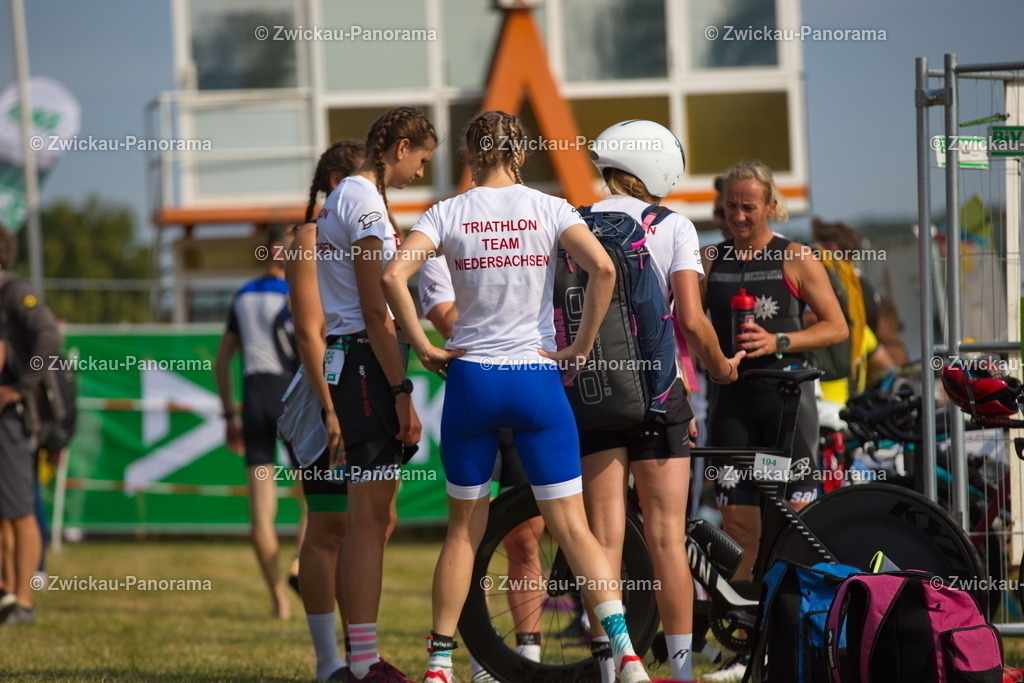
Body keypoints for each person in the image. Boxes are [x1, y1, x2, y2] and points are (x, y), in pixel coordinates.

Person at [382, 110, 652, 683]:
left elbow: (390, 278)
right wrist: (579, 345)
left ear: (469, 155)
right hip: (536, 380)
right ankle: (626, 655)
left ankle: (437, 664)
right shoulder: (551, 208)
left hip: (473, 381)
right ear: (521, 154)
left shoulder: (446, 211)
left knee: (462, 533)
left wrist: (425, 346)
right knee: (574, 530)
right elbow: (603, 268)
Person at [580, 121, 744, 683]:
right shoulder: (674, 227)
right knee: (666, 537)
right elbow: (693, 322)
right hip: (658, 398)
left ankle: (612, 668)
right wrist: (723, 368)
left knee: (603, 539)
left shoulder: (572, 220)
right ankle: (678, 670)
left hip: (595, 395)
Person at [701, 162, 847, 683]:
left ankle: (786, 638)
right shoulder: (708, 259)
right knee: (738, 524)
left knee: (786, 523)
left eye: (748, 206)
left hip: (785, 407)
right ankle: (744, 642)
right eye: (729, 207)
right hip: (730, 406)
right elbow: (686, 326)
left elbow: (836, 327)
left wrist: (779, 341)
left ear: (770, 206)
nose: (737, 215)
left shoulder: (795, 256)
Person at [316, 106, 433, 683]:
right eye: (420, 160)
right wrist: (402, 389)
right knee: (369, 518)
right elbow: (373, 307)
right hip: (364, 360)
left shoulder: (350, 198)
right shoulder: (362, 200)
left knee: (373, 518)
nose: (420, 172)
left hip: (356, 357)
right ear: (400, 146)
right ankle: (362, 663)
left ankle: (356, 656)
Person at [418, 255, 546, 681]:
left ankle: (531, 660)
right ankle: (479, 662)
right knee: (470, 535)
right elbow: (451, 325)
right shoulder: (441, 258)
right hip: (475, 398)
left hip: (525, 394)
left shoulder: (522, 246)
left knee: (527, 539)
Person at [288, 139, 366, 681]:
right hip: (325, 397)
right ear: (339, 180)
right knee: (331, 526)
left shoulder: (363, 231)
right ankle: (328, 662)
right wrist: (330, 408)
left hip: (367, 392)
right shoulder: (309, 238)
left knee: (372, 525)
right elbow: (310, 332)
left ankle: (360, 653)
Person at [215, 225, 305, 620]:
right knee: (313, 498)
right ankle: (299, 565)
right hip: (292, 398)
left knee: (260, 512)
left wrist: (228, 415)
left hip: (253, 400)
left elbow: (222, 361)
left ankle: (278, 602)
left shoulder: (241, 296)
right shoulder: (299, 292)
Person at [0, 222, 61, 626]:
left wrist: (21, 388)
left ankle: (24, 600)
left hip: (13, 419)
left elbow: (49, 336)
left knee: (21, 511)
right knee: (5, 512)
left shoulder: (13, 289)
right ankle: (7, 593)